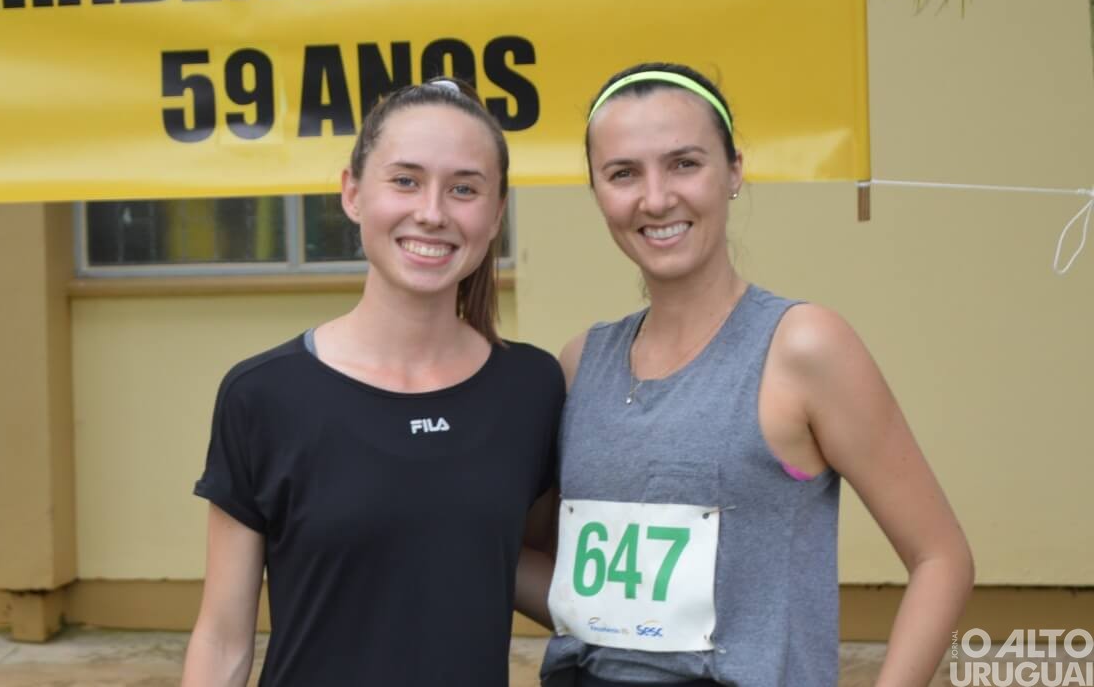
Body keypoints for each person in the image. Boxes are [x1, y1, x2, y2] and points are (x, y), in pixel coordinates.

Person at [540, 63, 972, 687]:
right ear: (596, 190)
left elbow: (942, 558)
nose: (656, 198)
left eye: (685, 163)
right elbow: (574, 585)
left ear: (734, 170)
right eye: (623, 173)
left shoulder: (803, 347)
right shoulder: (581, 364)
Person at [181, 77, 563, 687]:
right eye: (405, 180)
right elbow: (223, 637)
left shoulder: (532, 387)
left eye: (464, 188)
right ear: (353, 193)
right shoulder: (264, 395)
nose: (432, 212)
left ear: (496, 214)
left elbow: (531, 567)